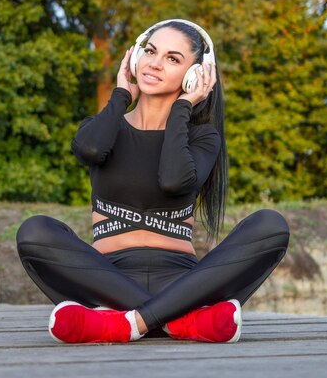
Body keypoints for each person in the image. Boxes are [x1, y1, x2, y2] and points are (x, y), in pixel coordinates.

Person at [16, 19, 290, 344]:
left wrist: (183, 106)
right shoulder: (107, 128)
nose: (155, 63)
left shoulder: (202, 137)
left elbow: (174, 181)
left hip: (183, 282)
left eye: (173, 59)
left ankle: (122, 324)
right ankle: (181, 322)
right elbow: (88, 149)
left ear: (194, 75)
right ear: (135, 57)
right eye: (150, 51)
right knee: (34, 230)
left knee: (270, 224)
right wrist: (121, 95)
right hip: (107, 278)